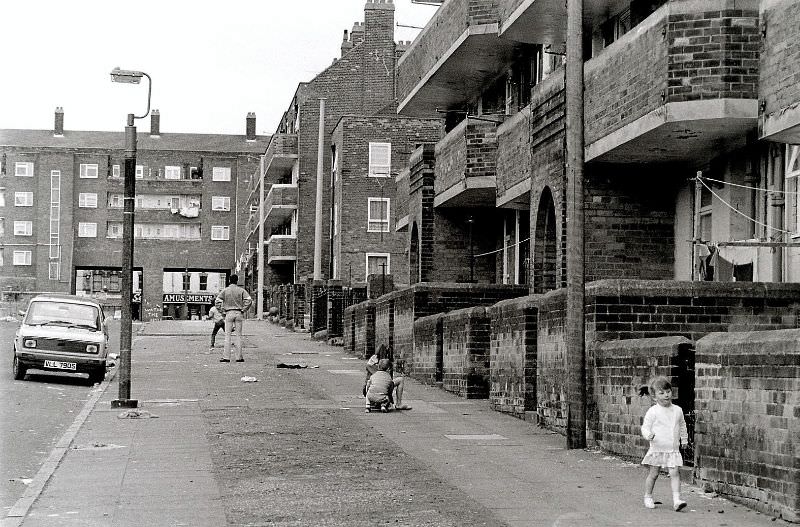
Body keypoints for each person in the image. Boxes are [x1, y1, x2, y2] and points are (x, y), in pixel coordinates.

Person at [640, 376, 688, 511]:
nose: (666, 395)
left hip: (672, 449)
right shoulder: (653, 411)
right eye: (661, 393)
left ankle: (677, 500)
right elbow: (645, 427)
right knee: (654, 474)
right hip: (657, 449)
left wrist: (684, 439)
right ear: (654, 397)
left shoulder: (677, 410)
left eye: (668, 391)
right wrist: (648, 435)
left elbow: (682, 425)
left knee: (675, 473)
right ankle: (648, 496)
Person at [215, 274, 252, 363]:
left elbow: (217, 301)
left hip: (229, 313)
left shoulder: (225, 291)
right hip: (239, 313)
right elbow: (249, 300)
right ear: (237, 281)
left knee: (227, 335)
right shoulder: (241, 290)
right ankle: (239, 357)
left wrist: (222, 311)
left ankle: (226, 357)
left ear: (229, 281)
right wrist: (244, 309)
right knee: (238, 335)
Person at [362, 344, 410, 410]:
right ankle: (398, 404)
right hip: (378, 389)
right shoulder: (385, 364)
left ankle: (375, 403)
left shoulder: (373, 361)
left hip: (369, 391)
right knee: (400, 380)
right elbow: (389, 382)